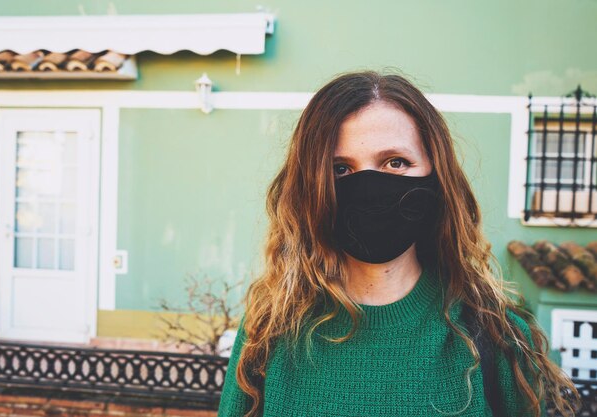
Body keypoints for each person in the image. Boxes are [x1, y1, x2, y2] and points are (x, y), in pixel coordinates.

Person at [217, 71, 581, 417]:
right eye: (340, 169)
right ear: (309, 188)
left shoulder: (496, 337)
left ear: (437, 179)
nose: (370, 188)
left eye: (395, 162)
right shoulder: (270, 328)